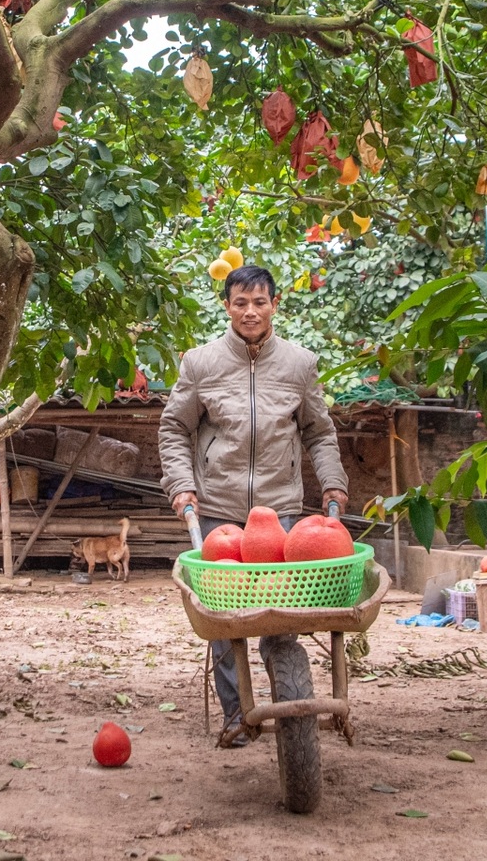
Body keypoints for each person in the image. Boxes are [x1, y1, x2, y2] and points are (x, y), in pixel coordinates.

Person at [158, 263, 349, 744]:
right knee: (226, 622)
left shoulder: (300, 364)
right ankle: (236, 717)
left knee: (279, 618)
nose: (250, 311)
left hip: (281, 509)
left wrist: (333, 482)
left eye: (259, 302)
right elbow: (175, 429)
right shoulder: (200, 363)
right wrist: (181, 484)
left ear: (274, 305)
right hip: (219, 510)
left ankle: (288, 708)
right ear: (226, 306)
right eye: (240, 302)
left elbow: (319, 432)